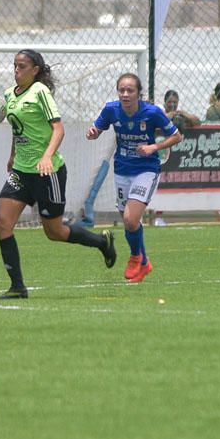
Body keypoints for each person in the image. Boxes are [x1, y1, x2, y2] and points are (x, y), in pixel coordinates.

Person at [0, 49, 116, 299]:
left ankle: (102, 242)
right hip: (20, 172)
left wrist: (47, 156)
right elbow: (19, 130)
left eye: (22, 66)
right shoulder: (9, 94)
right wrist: (12, 155)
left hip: (47, 172)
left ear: (35, 70)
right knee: (3, 223)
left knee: (55, 232)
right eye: (14, 66)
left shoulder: (41, 92)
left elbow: (58, 129)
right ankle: (17, 286)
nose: (16, 71)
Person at [85, 73, 183, 283]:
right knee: (130, 222)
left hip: (146, 170)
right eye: (122, 90)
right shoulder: (112, 109)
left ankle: (135, 256)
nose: (125, 94)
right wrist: (93, 132)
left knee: (130, 219)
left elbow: (177, 136)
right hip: (122, 170)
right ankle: (145, 263)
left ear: (139, 94)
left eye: (130, 90)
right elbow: (98, 128)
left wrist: (154, 146)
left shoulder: (152, 112)